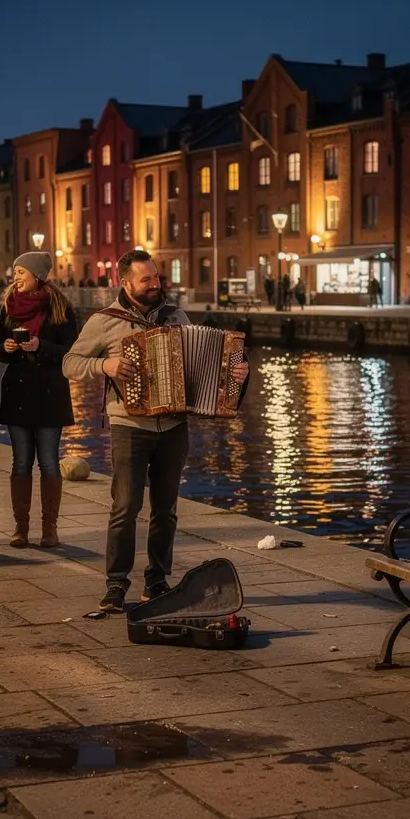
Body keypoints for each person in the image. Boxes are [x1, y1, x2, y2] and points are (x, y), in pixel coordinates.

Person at [63, 249, 250, 612]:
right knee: (126, 506)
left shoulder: (175, 316)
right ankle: (116, 584)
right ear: (126, 282)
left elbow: (211, 363)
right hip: (129, 426)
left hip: (175, 426)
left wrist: (237, 373)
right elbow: (70, 363)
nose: (154, 284)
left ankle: (157, 579)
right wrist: (107, 364)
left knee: (165, 509)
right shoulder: (105, 321)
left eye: (156, 277)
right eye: (146, 279)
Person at [0, 252, 79, 548]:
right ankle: (21, 528)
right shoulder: (8, 307)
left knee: (48, 462)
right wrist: (5, 347)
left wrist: (40, 346)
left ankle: (49, 528)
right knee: (20, 463)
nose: (15, 277)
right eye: (15, 271)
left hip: (49, 394)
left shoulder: (61, 308)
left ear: (37, 275)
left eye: (21, 272)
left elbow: (71, 352)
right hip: (17, 393)